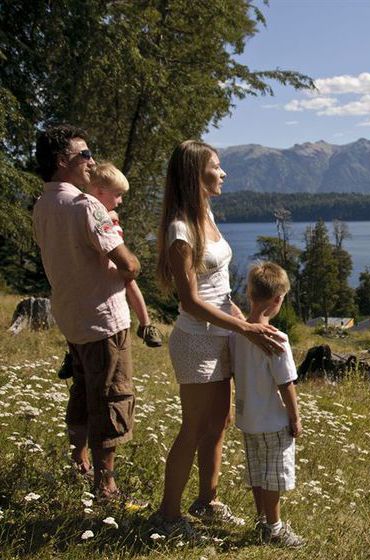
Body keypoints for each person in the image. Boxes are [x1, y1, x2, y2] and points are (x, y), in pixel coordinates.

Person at [151, 140, 285, 538]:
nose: (223, 173)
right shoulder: (180, 228)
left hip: (223, 332)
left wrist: (241, 316)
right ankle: (167, 516)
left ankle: (207, 501)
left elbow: (217, 286)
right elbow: (191, 301)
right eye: (216, 166)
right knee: (193, 428)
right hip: (197, 341)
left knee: (220, 423)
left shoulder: (205, 212)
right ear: (196, 174)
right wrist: (244, 328)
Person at [32, 124, 141, 500]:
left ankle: (79, 461)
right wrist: (132, 267)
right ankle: (105, 483)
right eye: (85, 155)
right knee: (112, 395)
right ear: (63, 161)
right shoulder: (87, 206)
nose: (92, 161)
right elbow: (125, 263)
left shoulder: (43, 206)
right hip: (103, 317)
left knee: (81, 390)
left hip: (71, 316)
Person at [55, 163, 161, 380]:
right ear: (100, 192)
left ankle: (145, 325)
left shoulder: (79, 208)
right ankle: (146, 324)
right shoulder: (92, 210)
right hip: (106, 273)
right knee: (130, 280)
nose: (120, 201)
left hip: (86, 283)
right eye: (118, 195)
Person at [232, 262, 305, 548]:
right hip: (273, 421)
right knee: (274, 476)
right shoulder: (277, 339)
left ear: (250, 295)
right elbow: (286, 383)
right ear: (277, 301)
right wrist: (295, 417)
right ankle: (275, 528)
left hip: (248, 419)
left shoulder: (237, 334)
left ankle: (262, 520)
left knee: (257, 473)